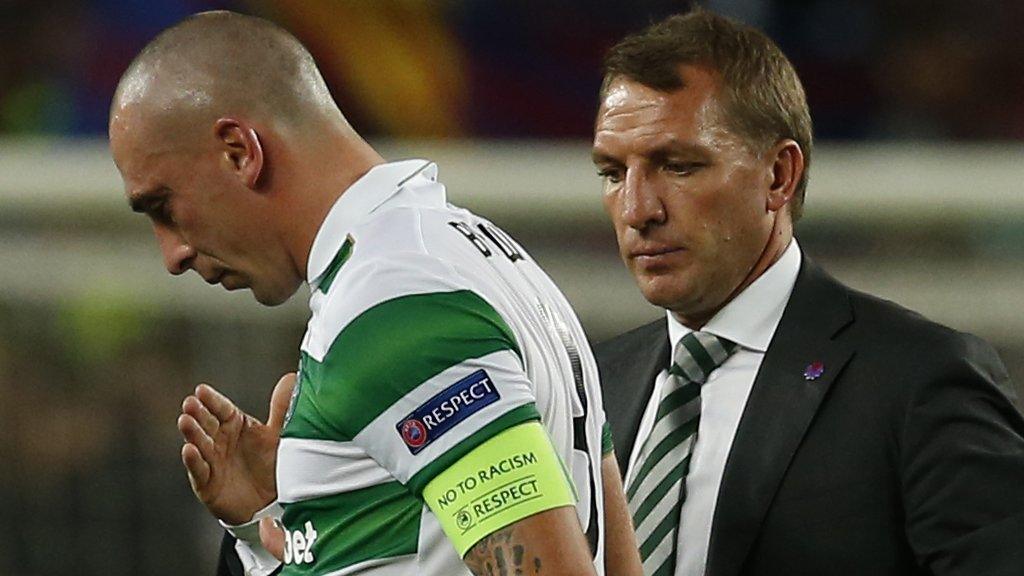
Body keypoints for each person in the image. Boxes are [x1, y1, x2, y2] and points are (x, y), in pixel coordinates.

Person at [107, 11, 642, 576]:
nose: (172, 256)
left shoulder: (392, 301)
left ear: (240, 152)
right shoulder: (482, 253)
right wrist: (273, 523)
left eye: (163, 208)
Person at [590, 9, 1024, 576]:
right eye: (613, 173)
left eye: (677, 166)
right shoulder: (592, 384)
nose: (636, 209)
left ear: (778, 176)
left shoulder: (921, 380)